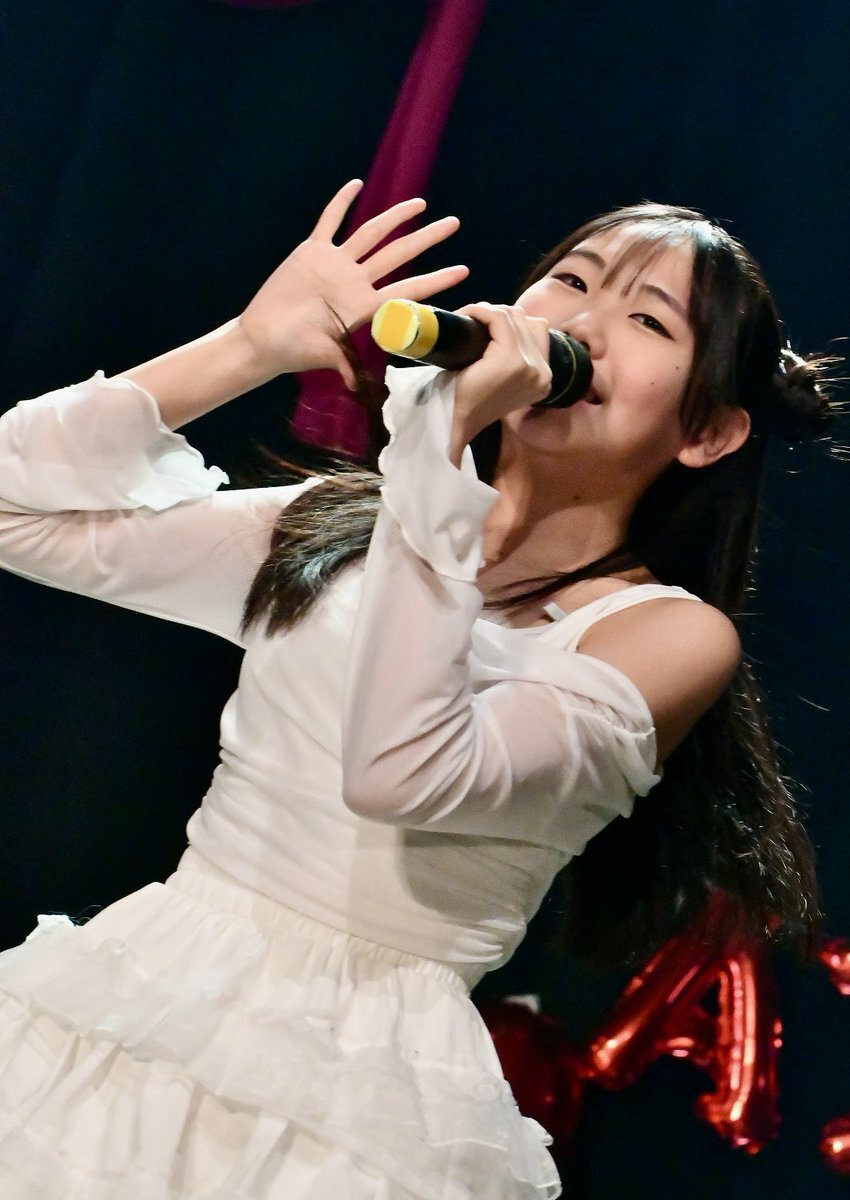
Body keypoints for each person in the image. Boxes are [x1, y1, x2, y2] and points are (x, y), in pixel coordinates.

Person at [0, 178, 835, 1198]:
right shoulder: (346, 532)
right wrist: (248, 347)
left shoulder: (664, 637)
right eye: (571, 282)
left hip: (360, 1093)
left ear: (707, 433)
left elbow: (402, 771)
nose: (581, 325)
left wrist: (438, 453)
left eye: (648, 320)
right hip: (139, 996)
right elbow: (13, 511)